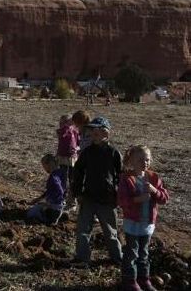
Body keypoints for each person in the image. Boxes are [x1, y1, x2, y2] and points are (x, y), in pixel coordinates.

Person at [72, 116, 123, 265]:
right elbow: (78, 172)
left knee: (110, 231)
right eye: (91, 131)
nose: (92, 134)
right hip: (88, 197)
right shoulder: (87, 153)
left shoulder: (113, 153)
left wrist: (119, 195)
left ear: (105, 134)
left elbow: (120, 176)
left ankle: (117, 257)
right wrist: (78, 192)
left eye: (96, 132)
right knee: (83, 230)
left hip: (107, 199)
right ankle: (82, 258)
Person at [118, 146, 169, 291]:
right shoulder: (127, 178)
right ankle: (129, 280)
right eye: (140, 159)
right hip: (133, 223)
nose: (144, 162)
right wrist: (137, 199)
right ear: (131, 161)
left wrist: (155, 191)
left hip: (147, 224)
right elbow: (121, 200)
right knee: (132, 252)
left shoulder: (154, 177)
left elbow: (164, 199)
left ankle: (144, 279)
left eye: (147, 159)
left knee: (144, 253)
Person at [26, 154, 66, 225]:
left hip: (53, 209)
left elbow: (59, 191)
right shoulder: (61, 172)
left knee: (30, 213)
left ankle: (47, 219)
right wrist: (38, 199)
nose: (44, 169)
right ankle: (57, 216)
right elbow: (56, 191)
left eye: (43, 166)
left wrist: (48, 204)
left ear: (48, 164)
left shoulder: (53, 177)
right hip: (60, 206)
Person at [56, 114, 79, 210]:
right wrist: (66, 126)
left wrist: (76, 149)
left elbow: (79, 143)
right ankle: (62, 199)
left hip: (73, 158)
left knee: (73, 179)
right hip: (63, 158)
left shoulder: (75, 132)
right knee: (63, 179)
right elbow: (62, 134)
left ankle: (72, 202)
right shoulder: (62, 131)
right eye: (63, 122)